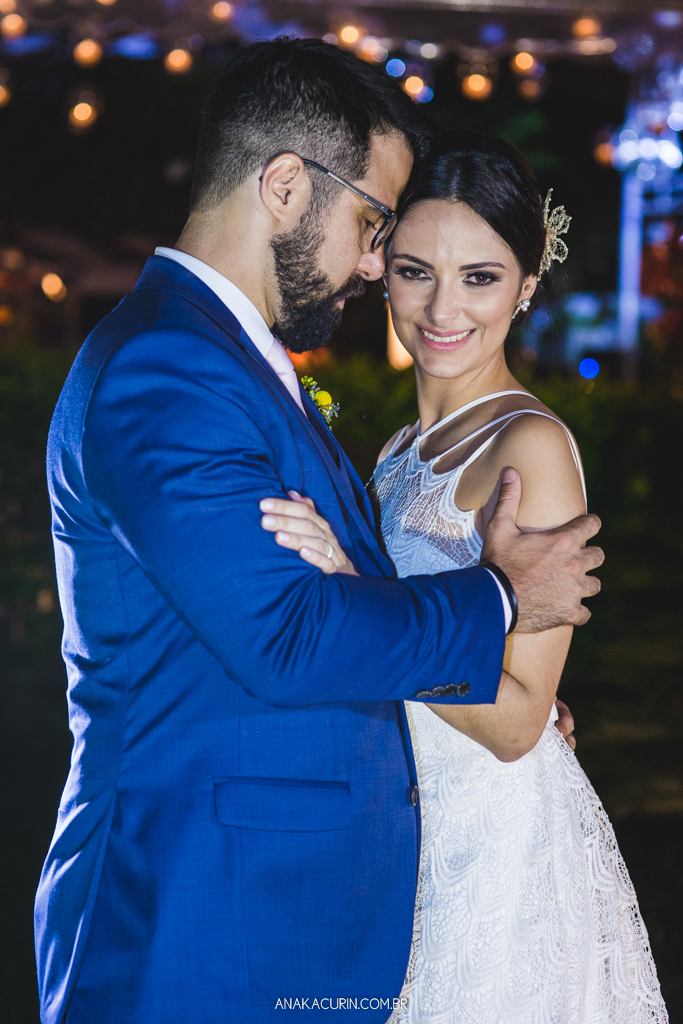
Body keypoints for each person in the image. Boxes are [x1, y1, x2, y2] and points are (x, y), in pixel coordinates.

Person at [35, 43, 603, 1024]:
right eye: (374, 225)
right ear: (288, 187)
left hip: (292, 915)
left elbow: (341, 615)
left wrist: (495, 706)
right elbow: (288, 633)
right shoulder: (166, 367)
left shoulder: (229, 360)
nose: (379, 263)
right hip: (203, 925)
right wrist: (496, 599)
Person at [265, 131, 667, 1022]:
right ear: (381, 270)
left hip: (488, 841)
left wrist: (359, 602)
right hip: (402, 824)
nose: (442, 308)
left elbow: (524, 719)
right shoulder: (397, 450)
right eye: (416, 271)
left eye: (479, 277)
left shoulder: (530, 447)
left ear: (526, 285)